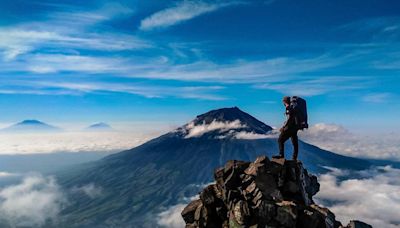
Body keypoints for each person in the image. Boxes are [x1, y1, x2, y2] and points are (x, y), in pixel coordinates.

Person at [275, 96, 299, 160]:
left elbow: (289, 118)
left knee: (280, 140)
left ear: (284, 102)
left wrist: (283, 127)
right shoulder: (294, 108)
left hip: (289, 128)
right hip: (294, 128)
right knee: (295, 144)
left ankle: (281, 155)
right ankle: (294, 158)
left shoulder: (288, 108)